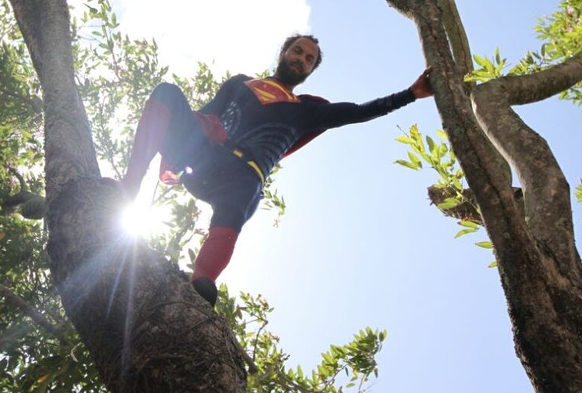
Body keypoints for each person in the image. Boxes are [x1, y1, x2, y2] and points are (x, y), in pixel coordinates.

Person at [110, 34, 433, 306]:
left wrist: (410, 95)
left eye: (309, 59)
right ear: (284, 53)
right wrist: (171, 156)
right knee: (167, 91)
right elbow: (204, 115)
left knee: (235, 207)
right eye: (298, 51)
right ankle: (130, 186)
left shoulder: (308, 110)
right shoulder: (240, 84)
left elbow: (359, 112)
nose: (301, 59)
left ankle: (204, 278)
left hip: (243, 177)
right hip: (206, 158)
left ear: (310, 70)